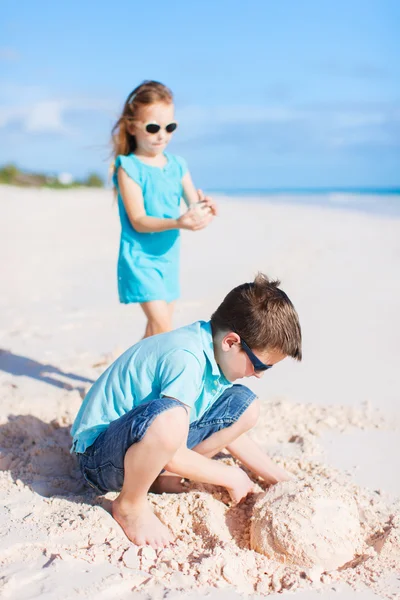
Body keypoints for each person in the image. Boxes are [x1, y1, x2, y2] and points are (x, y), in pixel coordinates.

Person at [71, 274, 302, 548]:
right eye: (259, 366)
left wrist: (278, 477)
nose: (259, 375)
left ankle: (160, 478)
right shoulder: (186, 358)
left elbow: (228, 430)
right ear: (231, 342)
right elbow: (171, 440)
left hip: (144, 441)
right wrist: (230, 475)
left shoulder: (213, 352)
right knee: (171, 419)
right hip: (99, 456)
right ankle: (130, 504)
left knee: (245, 407)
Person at [111, 80, 217, 338]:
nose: (162, 135)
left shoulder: (177, 165)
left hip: (168, 257)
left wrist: (205, 209)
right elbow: (138, 220)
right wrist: (179, 223)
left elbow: (193, 204)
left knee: (154, 334)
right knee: (164, 330)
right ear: (133, 127)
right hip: (140, 259)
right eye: (153, 127)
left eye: (169, 127)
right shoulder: (128, 167)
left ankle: (135, 377)